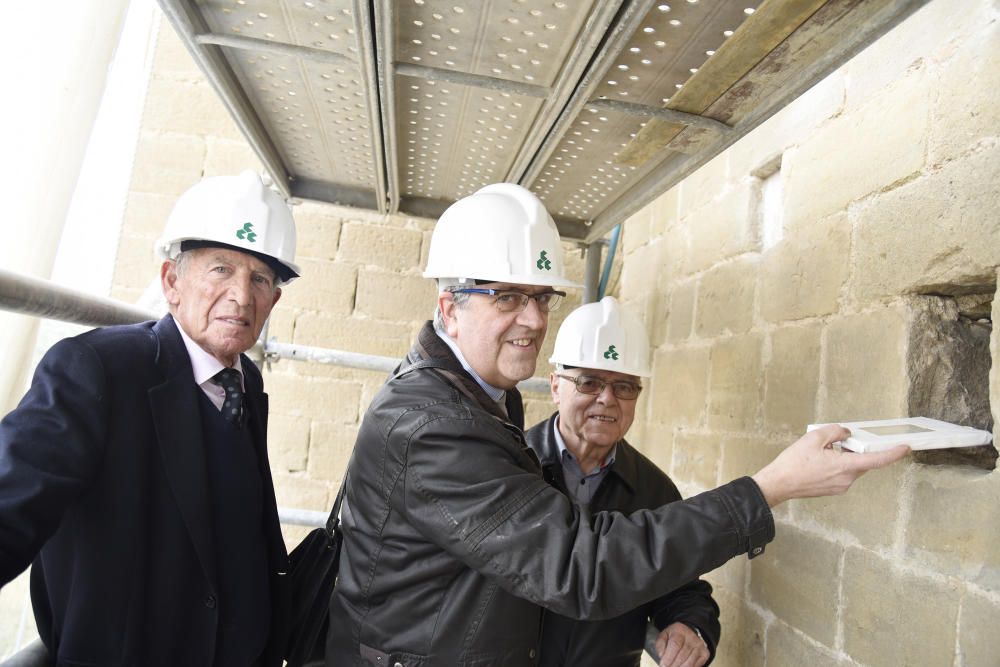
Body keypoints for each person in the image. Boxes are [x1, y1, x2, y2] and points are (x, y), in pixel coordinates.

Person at [325, 183, 908, 666]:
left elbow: (671, 584)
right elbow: (579, 566)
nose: (532, 318)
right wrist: (771, 487)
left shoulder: (488, 408)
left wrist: (689, 624)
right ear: (451, 308)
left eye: (542, 297)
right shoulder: (437, 425)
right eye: (506, 297)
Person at [0, 171, 300, 667]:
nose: (242, 297)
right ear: (171, 282)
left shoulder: (246, 383)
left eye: (260, 279)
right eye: (221, 269)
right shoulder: (98, 370)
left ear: (274, 300)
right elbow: (11, 499)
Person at [526, 296, 718, 667]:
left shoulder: (655, 490)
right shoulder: (513, 469)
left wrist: (689, 626)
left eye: (625, 387)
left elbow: (682, 587)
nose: (607, 399)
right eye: (589, 381)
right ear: (555, 386)